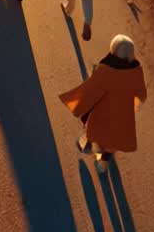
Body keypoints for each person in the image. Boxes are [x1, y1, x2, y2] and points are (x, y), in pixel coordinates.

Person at [58, 34, 148, 172]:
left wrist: (77, 104)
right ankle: (103, 163)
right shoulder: (136, 71)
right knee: (113, 141)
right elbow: (142, 95)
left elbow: (90, 91)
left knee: (95, 133)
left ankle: (88, 146)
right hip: (123, 116)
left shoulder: (105, 70)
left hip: (103, 115)